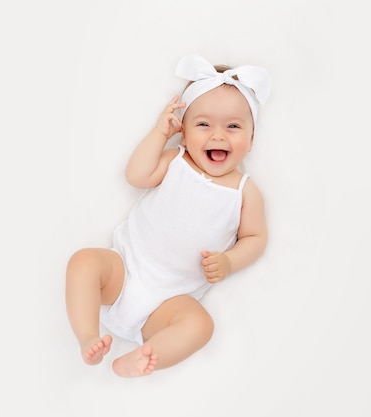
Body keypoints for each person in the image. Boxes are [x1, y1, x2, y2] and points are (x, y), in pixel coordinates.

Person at [65, 54, 272, 377]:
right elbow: (136, 176)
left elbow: (255, 238)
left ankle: (146, 355)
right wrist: (159, 134)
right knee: (84, 262)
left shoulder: (244, 191)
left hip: (169, 303)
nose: (218, 136)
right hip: (124, 272)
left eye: (233, 126)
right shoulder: (176, 161)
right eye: (203, 124)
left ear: (251, 139)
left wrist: (230, 261)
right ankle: (88, 336)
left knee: (201, 325)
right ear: (184, 134)